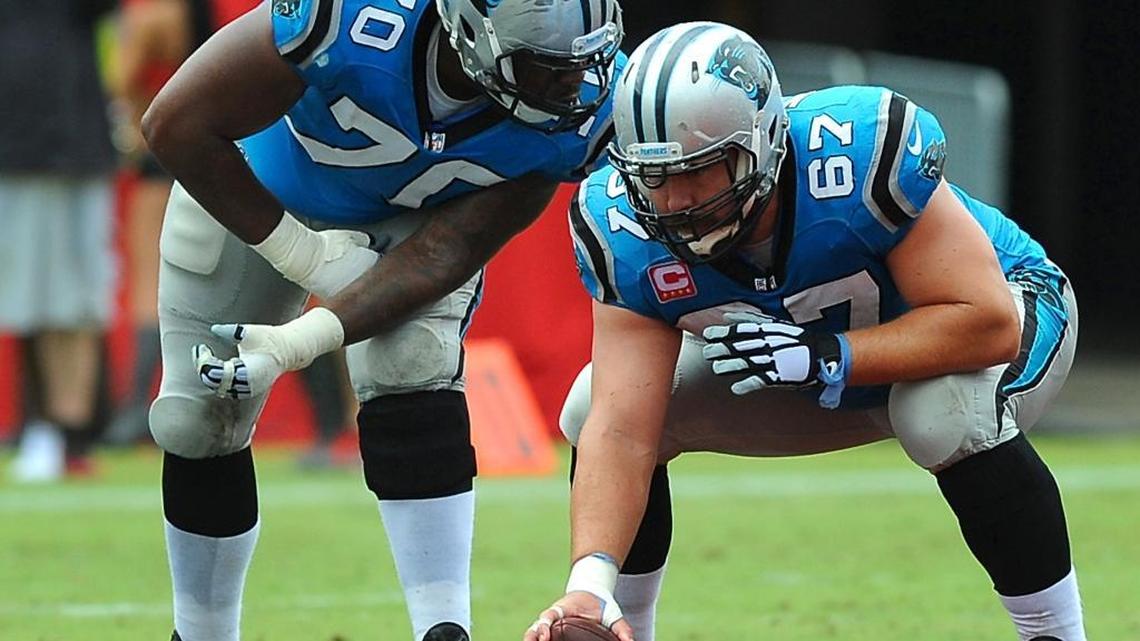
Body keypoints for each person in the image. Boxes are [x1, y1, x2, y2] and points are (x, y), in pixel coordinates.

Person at [525, 22, 1085, 641]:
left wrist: (826, 355)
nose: (675, 200)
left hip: (998, 314)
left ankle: (1055, 633)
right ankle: (623, 625)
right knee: (589, 406)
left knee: (941, 413)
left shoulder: (858, 154)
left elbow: (987, 324)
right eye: (655, 176)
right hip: (808, 364)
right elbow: (622, 426)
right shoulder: (619, 226)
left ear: (763, 143)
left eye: (701, 171)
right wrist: (589, 583)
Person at [139, 0, 624, 639]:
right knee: (196, 416)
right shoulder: (347, 16)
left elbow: (447, 252)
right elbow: (175, 123)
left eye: (583, 62)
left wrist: (299, 341)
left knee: (413, 363)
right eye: (547, 65)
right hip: (259, 189)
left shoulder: (588, 108)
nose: (574, 83)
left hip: (417, 222)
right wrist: (303, 256)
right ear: (470, 32)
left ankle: (443, 629)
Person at [1, 0, 119, 481]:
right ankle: (41, 427)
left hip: (76, 146)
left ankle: (71, 433)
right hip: (14, 152)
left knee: (79, 300)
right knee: (25, 299)